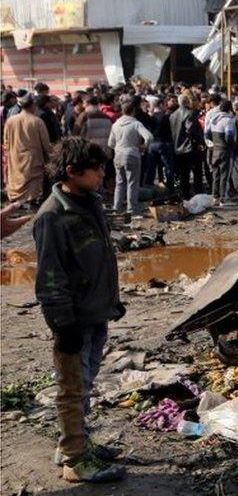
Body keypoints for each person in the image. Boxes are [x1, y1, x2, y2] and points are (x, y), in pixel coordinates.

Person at [33, 137, 126, 483]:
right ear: (72, 172)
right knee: (72, 389)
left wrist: (110, 302)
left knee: (85, 385)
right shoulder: (53, 216)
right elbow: (49, 277)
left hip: (95, 313)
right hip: (73, 320)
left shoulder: (89, 201)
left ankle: (75, 442)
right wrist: (63, 324)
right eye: (96, 169)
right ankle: (75, 460)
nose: (103, 174)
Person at [3, 97, 53, 204]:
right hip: (33, 159)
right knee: (32, 183)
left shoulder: (10, 120)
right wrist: (50, 157)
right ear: (32, 106)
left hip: (15, 157)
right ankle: (30, 202)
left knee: (17, 180)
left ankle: (17, 202)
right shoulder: (37, 121)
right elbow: (45, 143)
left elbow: (6, 141)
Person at [107, 101, 153, 214]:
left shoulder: (115, 124)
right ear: (133, 111)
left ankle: (117, 208)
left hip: (118, 155)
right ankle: (131, 208)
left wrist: (118, 147)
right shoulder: (136, 124)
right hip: (132, 155)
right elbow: (149, 137)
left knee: (120, 183)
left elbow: (110, 144)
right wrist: (143, 147)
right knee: (132, 182)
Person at [170, 95, 205, 199]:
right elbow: (190, 130)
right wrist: (199, 142)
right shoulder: (190, 114)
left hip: (177, 147)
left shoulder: (173, 115)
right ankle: (198, 193)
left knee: (183, 173)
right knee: (197, 171)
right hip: (189, 147)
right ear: (187, 102)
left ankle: (184, 194)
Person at [207, 100, 236, 201]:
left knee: (215, 173)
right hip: (224, 150)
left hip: (215, 149)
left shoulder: (213, 119)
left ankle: (215, 196)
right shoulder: (228, 120)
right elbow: (229, 136)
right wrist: (230, 146)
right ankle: (223, 197)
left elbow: (207, 133)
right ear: (229, 108)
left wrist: (214, 142)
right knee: (224, 174)